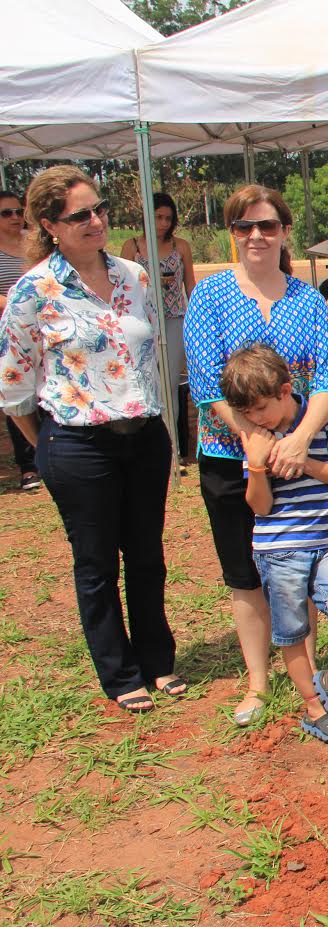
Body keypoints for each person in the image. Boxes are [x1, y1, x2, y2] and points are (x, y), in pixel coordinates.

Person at [0, 166, 181, 712]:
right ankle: (120, 672)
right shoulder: (34, 290)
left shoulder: (134, 275)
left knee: (147, 557)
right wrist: (48, 444)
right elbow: (14, 386)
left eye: (99, 209)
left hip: (145, 437)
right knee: (97, 564)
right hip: (78, 446)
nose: (96, 220)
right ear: (49, 224)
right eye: (80, 215)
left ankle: (158, 661)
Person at [185, 184, 328, 726]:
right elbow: (207, 383)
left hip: (302, 457)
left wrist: (299, 439)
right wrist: (254, 440)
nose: (256, 236)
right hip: (232, 455)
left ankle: (309, 671)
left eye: (267, 226)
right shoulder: (209, 297)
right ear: (233, 234)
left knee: (299, 567)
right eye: (244, 227)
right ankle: (257, 682)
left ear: (284, 233)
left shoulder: (306, 299)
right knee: (245, 573)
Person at [221, 344, 328, 745]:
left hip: (322, 544)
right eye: (246, 413)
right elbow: (260, 506)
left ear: (286, 391)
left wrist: (304, 461)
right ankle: (315, 709)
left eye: (260, 408)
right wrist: (255, 463)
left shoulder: (322, 422)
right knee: (292, 632)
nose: (253, 418)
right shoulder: (256, 439)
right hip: (278, 549)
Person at [120, 191, 196, 460]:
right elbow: (123, 289)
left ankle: (173, 449)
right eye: (158, 217)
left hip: (174, 318)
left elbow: (191, 286)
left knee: (171, 385)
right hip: (142, 320)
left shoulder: (181, 246)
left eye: (167, 218)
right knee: (145, 381)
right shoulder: (132, 247)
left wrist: (195, 321)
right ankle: (150, 445)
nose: (163, 223)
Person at [0, 189, 40, 491]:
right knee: (17, 394)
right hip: (9, 329)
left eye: (18, 211)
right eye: (6, 213)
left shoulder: (34, 243)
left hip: (41, 328)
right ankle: (28, 465)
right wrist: (18, 304)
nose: (15, 217)